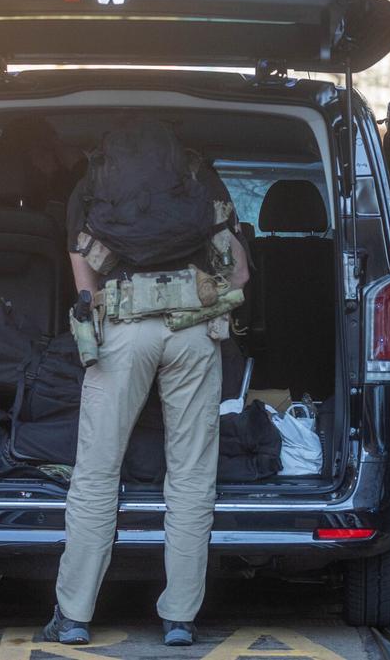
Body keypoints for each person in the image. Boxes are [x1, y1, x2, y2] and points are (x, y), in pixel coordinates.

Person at [41, 121, 249, 648]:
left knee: (95, 472)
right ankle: (179, 617)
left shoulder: (91, 183)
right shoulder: (202, 177)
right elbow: (240, 275)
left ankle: (73, 614)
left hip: (123, 335)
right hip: (193, 333)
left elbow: (83, 286)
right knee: (191, 474)